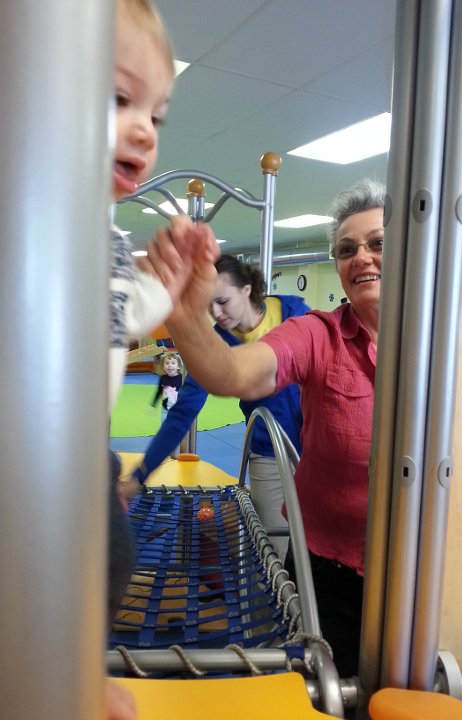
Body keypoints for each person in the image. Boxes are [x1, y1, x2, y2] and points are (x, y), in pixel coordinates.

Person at [151, 180, 462, 678]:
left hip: (425, 571)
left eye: (378, 243)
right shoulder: (317, 334)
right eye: (346, 249)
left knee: (411, 693)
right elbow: (233, 373)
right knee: (323, 690)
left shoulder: (449, 346)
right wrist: (183, 313)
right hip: (328, 572)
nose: (361, 257)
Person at [104, 2, 219, 717]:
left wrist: (167, 287)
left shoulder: (111, 237)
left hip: (77, 455)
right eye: (119, 98)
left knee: (110, 557)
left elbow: (125, 314)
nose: (146, 129)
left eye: (156, 113)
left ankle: (71, 662)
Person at [122, 254, 310, 561]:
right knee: (277, 547)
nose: (217, 314)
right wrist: (140, 475)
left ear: (246, 289)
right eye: (209, 306)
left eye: (223, 301)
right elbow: (183, 412)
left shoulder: (296, 314)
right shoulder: (215, 348)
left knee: (319, 541)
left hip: (316, 446)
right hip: (268, 453)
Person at [151, 351, 183, 419]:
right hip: (165, 410)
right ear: (163, 366)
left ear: (178, 366)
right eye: (167, 363)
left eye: (173, 363)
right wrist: (153, 404)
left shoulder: (182, 379)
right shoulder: (163, 378)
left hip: (179, 410)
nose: (170, 365)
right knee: (165, 424)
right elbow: (159, 392)